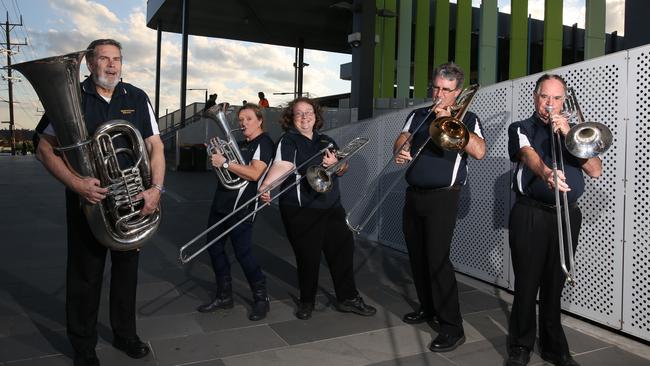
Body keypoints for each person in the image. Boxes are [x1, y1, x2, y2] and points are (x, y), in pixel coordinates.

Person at [36, 39, 165, 366]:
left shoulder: (136, 97)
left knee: (127, 273)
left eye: (117, 59)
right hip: (88, 200)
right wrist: (77, 184)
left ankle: (125, 334)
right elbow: (43, 148)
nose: (111, 65)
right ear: (89, 63)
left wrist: (156, 189)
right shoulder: (73, 96)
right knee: (85, 275)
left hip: (133, 201)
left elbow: (155, 147)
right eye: (104, 59)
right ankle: (83, 346)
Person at [505, 74, 601, 366]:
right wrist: (546, 173)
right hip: (530, 212)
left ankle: (553, 346)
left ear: (564, 101)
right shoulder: (522, 127)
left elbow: (595, 170)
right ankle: (520, 345)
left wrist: (569, 134)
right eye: (545, 97)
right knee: (526, 282)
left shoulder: (575, 132)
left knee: (554, 283)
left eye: (557, 98)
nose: (550, 104)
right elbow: (526, 153)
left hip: (567, 214)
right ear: (536, 97)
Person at [394, 62, 486, 352]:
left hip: (443, 197)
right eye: (435, 87)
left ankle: (452, 326)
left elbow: (480, 151)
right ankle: (428, 308)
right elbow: (401, 138)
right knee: (418, 257)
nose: (438, 93)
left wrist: (451, 121)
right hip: (414, 194)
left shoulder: (467, 118)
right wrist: (401, 149)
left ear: (457, 92)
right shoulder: (418, 115)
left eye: (446, 90)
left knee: (437, 259)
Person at [259, 97, 376, 320]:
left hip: (331, 206)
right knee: (308, 256)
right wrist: (266, 186)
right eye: (299, 113)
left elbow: (342, 167)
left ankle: (348, 298)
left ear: (316, 116)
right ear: (291, 118)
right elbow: (282, 165)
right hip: (300, 208)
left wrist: (337, 165)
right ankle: (307, 300)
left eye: (308, 112)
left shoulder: (326, 140)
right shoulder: (288, 140)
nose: (304, 117)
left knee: (342, 252)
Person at [197, 103, 274, 321]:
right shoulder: (239, 144)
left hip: (243, 207)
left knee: (243, 253)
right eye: (240, 120)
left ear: (259, 120)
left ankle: (261, 298)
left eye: (248, 118)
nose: (243, 123)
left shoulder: (264, 143)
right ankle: (224, 296)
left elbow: (254, 174)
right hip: (221, 203)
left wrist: (225, 162)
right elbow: (226, 171)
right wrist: (216, 156)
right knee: (214, 249)